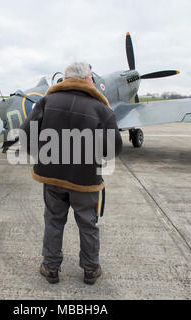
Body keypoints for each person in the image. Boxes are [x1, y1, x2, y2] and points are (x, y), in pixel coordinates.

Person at [20, 62, 123, 285]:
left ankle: (50, 268)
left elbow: (26, 135)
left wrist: (42, 155)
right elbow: (113, 149)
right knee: (88, 224)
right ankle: (90, 269)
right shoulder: (101, 109)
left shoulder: (46, 101)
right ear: (87, 79)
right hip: (85, 180)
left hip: (52, 177)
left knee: (53, 221)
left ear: (66, 79)